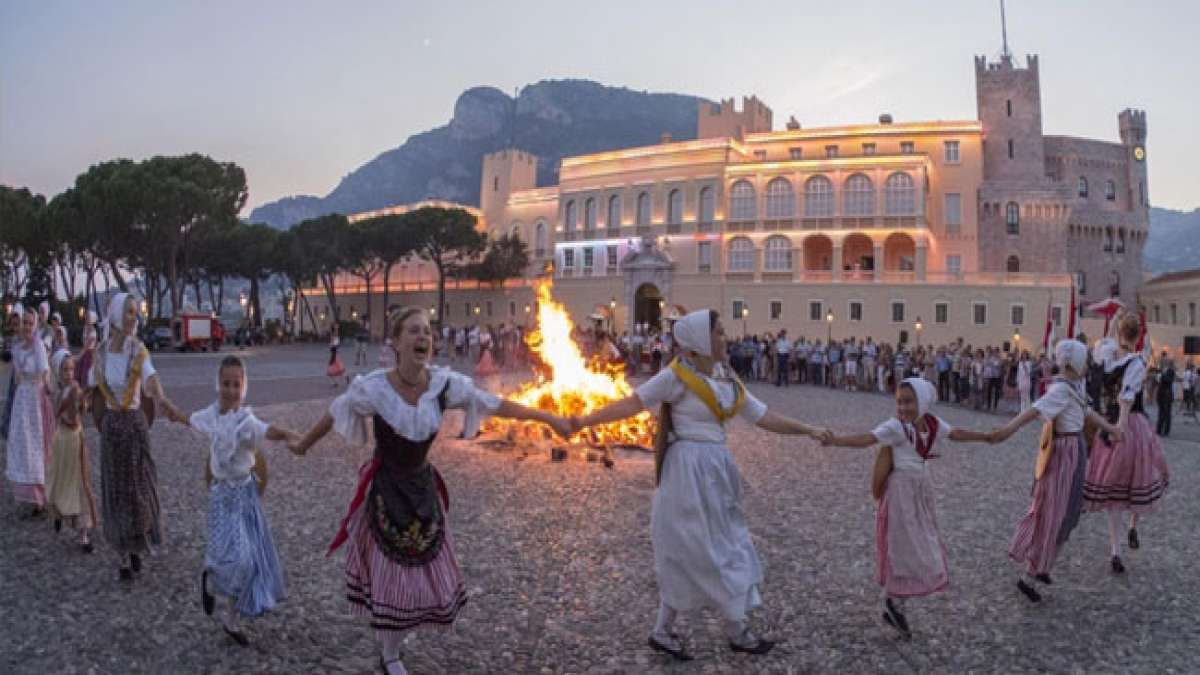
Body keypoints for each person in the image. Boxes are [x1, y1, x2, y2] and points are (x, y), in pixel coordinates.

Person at [288, 307, 571, 675]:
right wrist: (303, 444)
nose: (423, 337)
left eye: (427, 332)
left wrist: (548, 417)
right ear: (396, 342)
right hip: (387, 488)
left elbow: (495, 405)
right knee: (391, 568)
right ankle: (390, 653)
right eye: (414, 331)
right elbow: (336, 410)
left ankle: (394, 639)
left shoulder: (443, 386)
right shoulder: (374, 387)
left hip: (421, 488)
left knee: (418, 566)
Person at [572, 309, 830, 660]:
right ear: (698, 342)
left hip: (717, 469)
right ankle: (707, 631)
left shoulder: (727, 379)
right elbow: (635, 402)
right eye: (719, 332)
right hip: (687, 471)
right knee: (693, 547)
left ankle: (707, 629)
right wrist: (583, 420)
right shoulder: (677, 376)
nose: (725, 337)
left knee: (728, 543)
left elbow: (764, 416)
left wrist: (807, 429)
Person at [822, 378, 992, 637]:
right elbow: (868, 438)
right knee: (901, 547)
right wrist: (837, 441)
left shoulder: (932, 424)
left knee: (922, 544)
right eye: (899, 401)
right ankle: (895, 601)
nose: (903, 407)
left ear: (923, 401)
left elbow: (957, 434)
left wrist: (988, 437)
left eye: (909, 401)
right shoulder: (896, 427)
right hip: (901, 492)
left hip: (920, 491)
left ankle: (896, 602)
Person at [167, 355, 294, 646]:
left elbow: (267, 430)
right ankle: (213, 581)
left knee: (247, 560)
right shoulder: (212, 415)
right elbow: (191, 420)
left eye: (236, 384)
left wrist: (290, 435)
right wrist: (172, 412)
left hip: (245, 496)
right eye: (226, 383)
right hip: (221, 495)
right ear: (218, 384)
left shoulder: (245, 421)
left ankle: (229, 613)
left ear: (243, 386)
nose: (230, 390)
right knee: (227, 552)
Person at [989, 340, 1120, 602]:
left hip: (1076, 450)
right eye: (1085, 361)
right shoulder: (1060, 390)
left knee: (1068, 514)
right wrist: (1006, 430)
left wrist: (1110, 428)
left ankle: (1043, 567)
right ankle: (1030, 573)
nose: (1088, 366)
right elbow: (1034, 411)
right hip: (1063, 453)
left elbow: (1087, 412)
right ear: (1072, 364)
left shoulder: (1075, 386)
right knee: (1053, 514)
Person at [89, 293, 183, 581]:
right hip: (111, 431)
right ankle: (121, 554)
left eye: (136, 312)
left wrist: (163, 399)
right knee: (115, 491)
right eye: (129, 312)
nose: (135, 318)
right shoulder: (102, 353)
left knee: (138, 490)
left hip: (134, 429)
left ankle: (137, 546)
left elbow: (151, 379)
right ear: (117, 315)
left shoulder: (138, 350)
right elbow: (93, 391)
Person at [1084, 314, 1170, 574]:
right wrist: (1121, 427)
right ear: (1137, 335)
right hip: (1131, 425)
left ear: (1119, 333)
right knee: (1140, 478)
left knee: (1114, 488)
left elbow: (1104, 346)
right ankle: (1133, 526)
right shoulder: (1136, 362)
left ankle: (1115, 551)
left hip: (1108, 423)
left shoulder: (1106, 356)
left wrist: (1112, 326)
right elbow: (1127, 397)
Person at [46, 351, 98, 552]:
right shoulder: (60, 392)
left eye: (71, 369)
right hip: (62, 439)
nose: (69, 373)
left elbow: (82, 410)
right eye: (65, 369)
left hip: (75, 439)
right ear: (58, 372)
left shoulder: (75, 389)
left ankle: (84, 532)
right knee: (61, 478)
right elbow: (58, 414)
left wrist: (83, 400)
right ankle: (60, 512)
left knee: (80, 481)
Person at [5, 304, 52, 518]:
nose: (27, 326)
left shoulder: (39, 346)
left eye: (31, 323)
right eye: (24, 322)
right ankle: (31, 493)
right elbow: (15, 376)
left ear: (36, 325)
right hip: (22, 398)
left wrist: (42, 397)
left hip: (35, 398)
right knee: (23, 444)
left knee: (37, 444)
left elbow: (44, 373)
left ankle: (42, 494)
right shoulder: (17, 348)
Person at [1155, 356, 1175, 437]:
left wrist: (1162, 376)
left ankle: (1166, 431)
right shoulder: (1161, 371)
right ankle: (1159, 430)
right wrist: (1158, 377)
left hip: (1167, 395)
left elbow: (1169, 380)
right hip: (1161, 394)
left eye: (1164, 361)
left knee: (1166, 414)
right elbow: (1159, 382)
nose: (1162, 362)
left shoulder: (1171, 371)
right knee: (1160, 413)